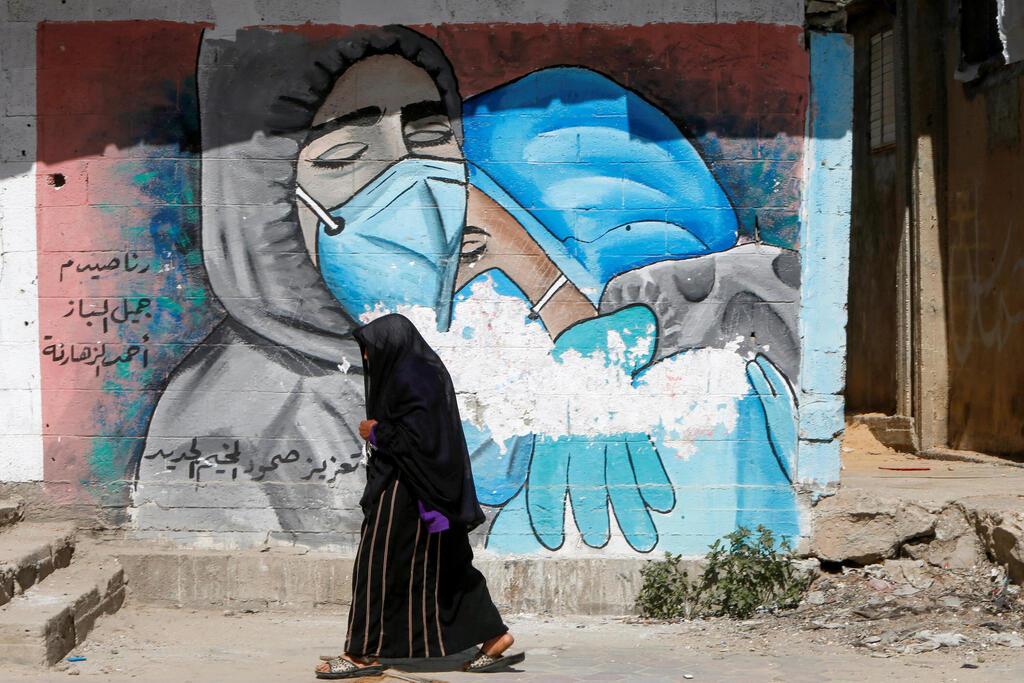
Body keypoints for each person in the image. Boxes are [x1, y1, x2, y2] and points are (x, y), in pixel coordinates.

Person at [315, 314, 525, 679]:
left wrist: (377, 432)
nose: (366, 358)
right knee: (446, 568)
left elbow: (423, 439)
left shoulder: (415, 379)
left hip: (408, 491)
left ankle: (362, 654)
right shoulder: (419, 373)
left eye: (371, 349)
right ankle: (495, 638)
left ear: (391, 346)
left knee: (377, 568)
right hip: (425, 490)